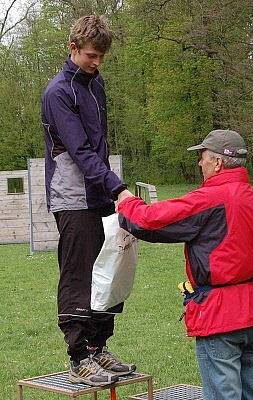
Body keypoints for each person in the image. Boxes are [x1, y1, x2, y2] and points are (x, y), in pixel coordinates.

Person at [117, 129, 253, 400]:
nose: (199, 163)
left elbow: (150, 220)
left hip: (221, 315)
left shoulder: (209, 199)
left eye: (202, 157)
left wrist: (125, 201)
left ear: (217, 162)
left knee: (223, 395)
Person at [41, 15, 135, 386]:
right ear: (73, 48)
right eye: (92, 56)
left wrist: (108, 189)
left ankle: (98, 348)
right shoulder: (57, 93)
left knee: (110, 270)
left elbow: (100, 145)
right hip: (72, 197)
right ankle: (78, 356)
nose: (97, 63)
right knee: (79, 274)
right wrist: (119, 187)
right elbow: (80, 151)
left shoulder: (96, 85)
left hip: (99, 193)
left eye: (102, 57)